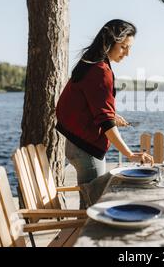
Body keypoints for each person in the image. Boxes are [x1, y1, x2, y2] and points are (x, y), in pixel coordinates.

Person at [56, 19, 154, 208]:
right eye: (124, 47)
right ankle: (86, 238)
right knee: (94, 207)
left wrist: (111, 118)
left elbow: (84, 103)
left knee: (90, 202)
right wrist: (130, 154)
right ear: (111, 41)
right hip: (86, 150)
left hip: (76, 145)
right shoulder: (100, 70)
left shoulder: (89, 62)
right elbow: (105, 122)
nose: (127, 53)